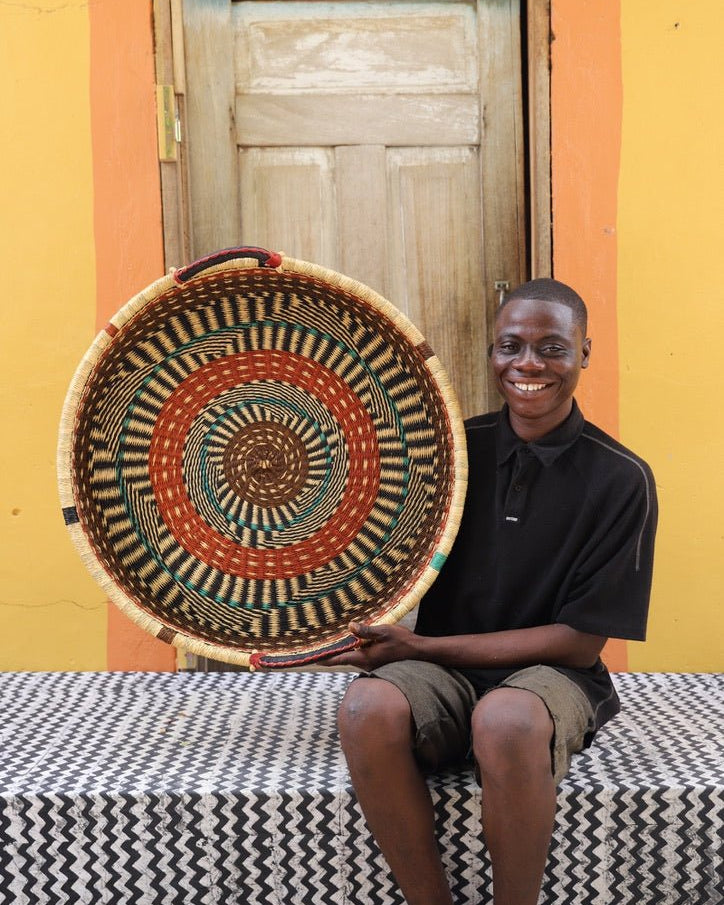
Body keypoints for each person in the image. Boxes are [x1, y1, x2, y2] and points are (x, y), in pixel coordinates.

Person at [325, 279, 657, 905]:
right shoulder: (450, 451)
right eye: (511, 346)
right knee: (366, 710)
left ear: (584, 353)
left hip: (549, 674)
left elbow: (580, 645)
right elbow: (360, 543)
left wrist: (419, 649)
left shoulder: (622, 479)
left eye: (552, 348)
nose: (528, 364)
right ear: (492, 352)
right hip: (436, 667)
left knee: (503, 720)